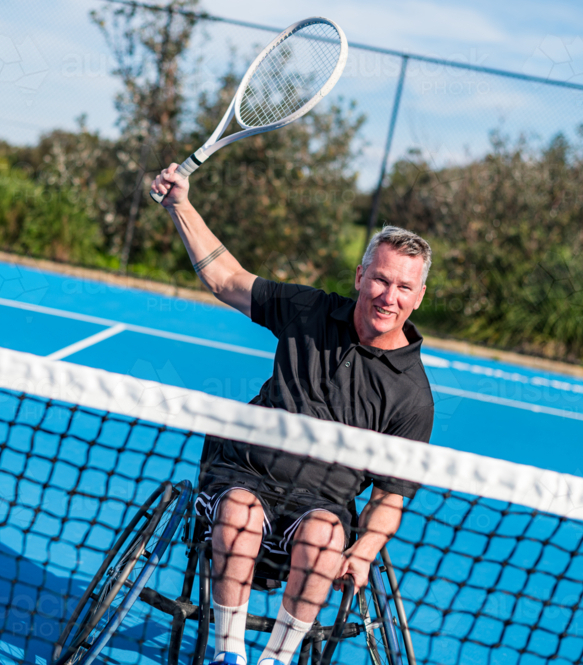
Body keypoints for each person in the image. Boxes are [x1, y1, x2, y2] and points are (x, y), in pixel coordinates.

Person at [150, 164, 435, 665]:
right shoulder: (308, 310)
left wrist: (364, 552)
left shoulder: (413, 396)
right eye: (381, 280)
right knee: (237, 513)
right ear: (360, 276)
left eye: (404, 288)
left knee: (326, 537)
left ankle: (277, 659)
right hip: (241, 473)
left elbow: (392, 494)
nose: (389, 297)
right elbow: (226, 279)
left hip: (321, 506)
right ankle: (228, 655)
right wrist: (180, 205)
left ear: (418, 296)